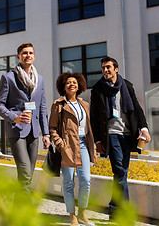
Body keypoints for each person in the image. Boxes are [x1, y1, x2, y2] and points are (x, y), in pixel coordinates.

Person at [90, 56, 151, 214]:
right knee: (119, 171)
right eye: (103, 68)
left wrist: (144, 128)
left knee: (122, 172)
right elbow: (94, 117)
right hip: (112, 134)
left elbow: (137, 109)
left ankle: (115, 208)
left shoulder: (127, 86)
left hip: (128, 134)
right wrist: (97, 140)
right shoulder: (97, 89)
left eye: (108, 67)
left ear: (116, 69)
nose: (105, 70)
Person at [0, 42, 50, 191]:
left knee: (28, 174)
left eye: (30, 53)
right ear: (18, 56)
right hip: (16, 130)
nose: (28, 55)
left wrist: (46, 133)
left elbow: (42, 108)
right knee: (25, 171)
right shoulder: (8, 78)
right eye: (24, 53)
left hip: (34, 131)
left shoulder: (40, 79)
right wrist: (14, 117)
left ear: (34, 56)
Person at [49, 72, 97, 226]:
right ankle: (72, 215)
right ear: (63, 86)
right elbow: (52, 128)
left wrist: (93, 149)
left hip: (83, 144)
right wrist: (61, 144)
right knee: (68, 182)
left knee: (86, 180)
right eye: (68, 82)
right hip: (68, 146)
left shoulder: (85, 104)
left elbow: (89, 129)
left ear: (79, 86)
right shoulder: (58, 104)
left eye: (75, 82)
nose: (72, 84)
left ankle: (82, 212)